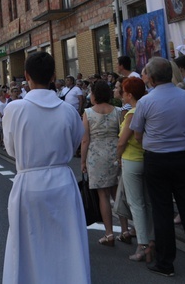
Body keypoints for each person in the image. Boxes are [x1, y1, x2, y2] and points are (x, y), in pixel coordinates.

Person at [2, 52, 89, 283]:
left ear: (27, 76)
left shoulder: (14, 109)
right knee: (67, 245)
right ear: (53, 76)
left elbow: (10, 150)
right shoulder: (69, 110)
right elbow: (73, 145)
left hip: (28, 183)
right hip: (62, 182)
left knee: (28, 247)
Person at [130, 57, 185, 276]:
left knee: (162, 211)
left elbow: (137, 135)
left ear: (152, 78)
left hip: (157, 159)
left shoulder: (146, 101)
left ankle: (166, 262)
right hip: (184, 157)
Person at [80, 80, 125, 246]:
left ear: (94, 95)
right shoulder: (118, 111)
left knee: (103, 195)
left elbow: (85, 140)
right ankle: (126, 230)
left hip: (96, 154)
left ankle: (109, 233)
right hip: (115, 152)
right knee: (117, 193)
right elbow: (122, 134)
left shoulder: (88, 113)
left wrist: (83, 161)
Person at [117, 77, 155, 262]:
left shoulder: (132, 113)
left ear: (129, 94)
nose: (121, 95)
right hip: (146, 157)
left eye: (123, 92)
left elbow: (122, 141)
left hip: (131, 159)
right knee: (148, 202)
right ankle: (152, 238)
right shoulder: (148, 107)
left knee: (136, 204)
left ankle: (143, 245)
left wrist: (118, 156)